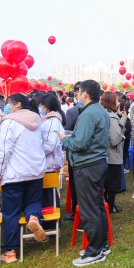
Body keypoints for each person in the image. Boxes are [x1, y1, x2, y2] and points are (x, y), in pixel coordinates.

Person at [58, 80, 110, 266]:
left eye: (78, 92)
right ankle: (101, 244)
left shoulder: (88, 113)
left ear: (85, 94)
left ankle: (94, 250)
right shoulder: (99, 110)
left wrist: (65, 139)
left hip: (87, 165)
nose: (77, 95)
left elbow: (80, 143)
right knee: (96, 205)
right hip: (96, 162)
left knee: (89, 209)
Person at [0, 94, 47, 264]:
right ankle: (34, 218)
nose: (7, 107)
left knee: (11, 212)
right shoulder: (37, 120)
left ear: (17, 105)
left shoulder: (10, 123)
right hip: (35, 171)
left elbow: (3, 150)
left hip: (14, 173)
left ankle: (11, 251)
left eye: (8, 104)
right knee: (33, 201)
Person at [37, 93, 65, 224]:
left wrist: (35, 154)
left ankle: (51, 225)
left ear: (46, 106)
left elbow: (50, 145)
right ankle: (51, 224)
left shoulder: (52, 121)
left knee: (49, 196)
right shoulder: (48, 119)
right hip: (47, 162)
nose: (40, 108)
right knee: (48, 195)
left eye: (41, 105)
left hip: (48, 163)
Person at [100, 91, 126, 213]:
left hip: (102, 154)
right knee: (112, 185)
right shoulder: (112, 117)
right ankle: (110, 207)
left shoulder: (101, 114)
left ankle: (106, 204)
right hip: (112, 155)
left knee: (105, 183)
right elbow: (115, 139)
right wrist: (122, 136)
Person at [63, 81, 82, 220]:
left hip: (76, 154)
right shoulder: (100, 110)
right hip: (94, 158)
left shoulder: (72, 112)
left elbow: (67, 130)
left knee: (76, 184)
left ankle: (77, 211)